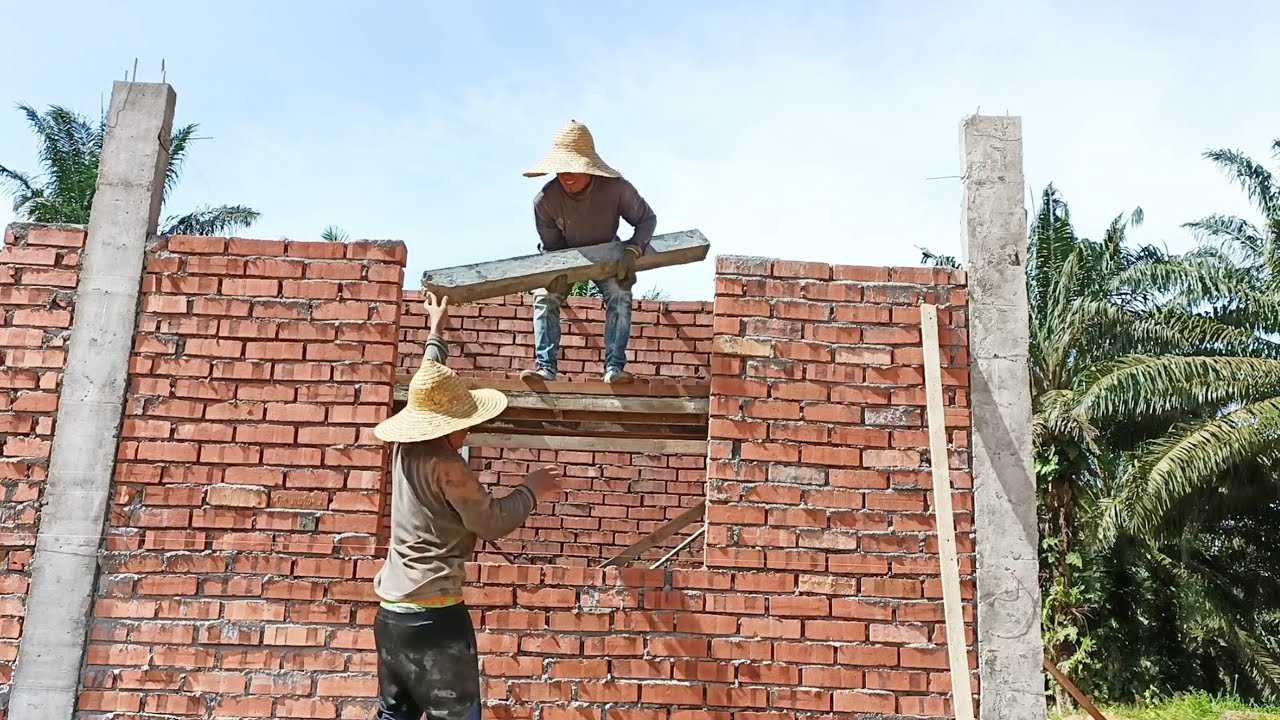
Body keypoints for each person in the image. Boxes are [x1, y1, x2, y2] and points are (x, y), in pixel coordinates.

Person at [370, 291, 564, 720]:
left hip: (392, 618)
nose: (469, 432)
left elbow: (429, 378)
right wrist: (530, 490)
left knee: (394, 716)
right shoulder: (447, 465)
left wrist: (435, 331)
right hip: (434, 621)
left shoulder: (404, 446)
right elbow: (492, 523)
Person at [520, 119, 658, 384]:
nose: (567, 175)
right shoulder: (544, 201)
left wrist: (632, 252)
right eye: (561, 168)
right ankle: (545, 368)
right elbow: (551, 248)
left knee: (620, 292)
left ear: (589, 166)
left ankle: (614, 368)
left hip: (607, 255)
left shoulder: (617, 189)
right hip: (564, 258)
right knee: (544, 296)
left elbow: (646, 219)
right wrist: (556, 273)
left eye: (574, 167)